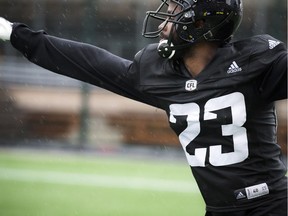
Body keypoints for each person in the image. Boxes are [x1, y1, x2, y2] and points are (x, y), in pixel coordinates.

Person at [0, 0, 287, 215]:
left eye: (173, 14)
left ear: (200, 23)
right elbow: (89, 62)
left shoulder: (255, 62)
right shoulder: (160, 74)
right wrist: (15, 33)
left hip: (272, 205)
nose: (162, 25)